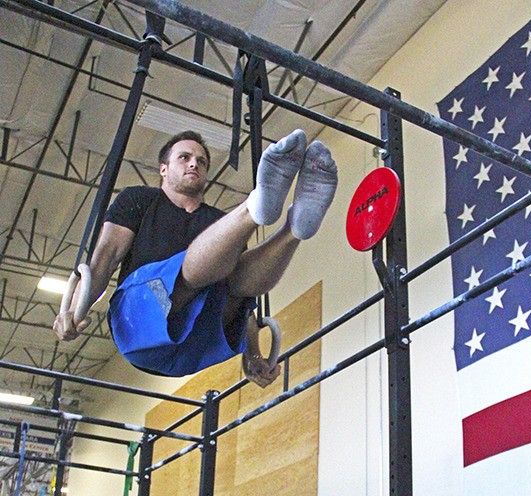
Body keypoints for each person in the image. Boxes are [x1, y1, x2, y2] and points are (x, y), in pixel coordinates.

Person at [53, 129, 338, 387]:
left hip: (201, 342)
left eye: (201, 161)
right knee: (186, 274)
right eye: (185, 157)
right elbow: (105, 259)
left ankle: (295, 229)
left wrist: (252, 353)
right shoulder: (139, 200)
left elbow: (242, 295)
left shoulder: (219, 223)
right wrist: (74, 311)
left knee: (234, 278)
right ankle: (254, 208)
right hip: (139, 324)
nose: (194, 164)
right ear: (163, 169)